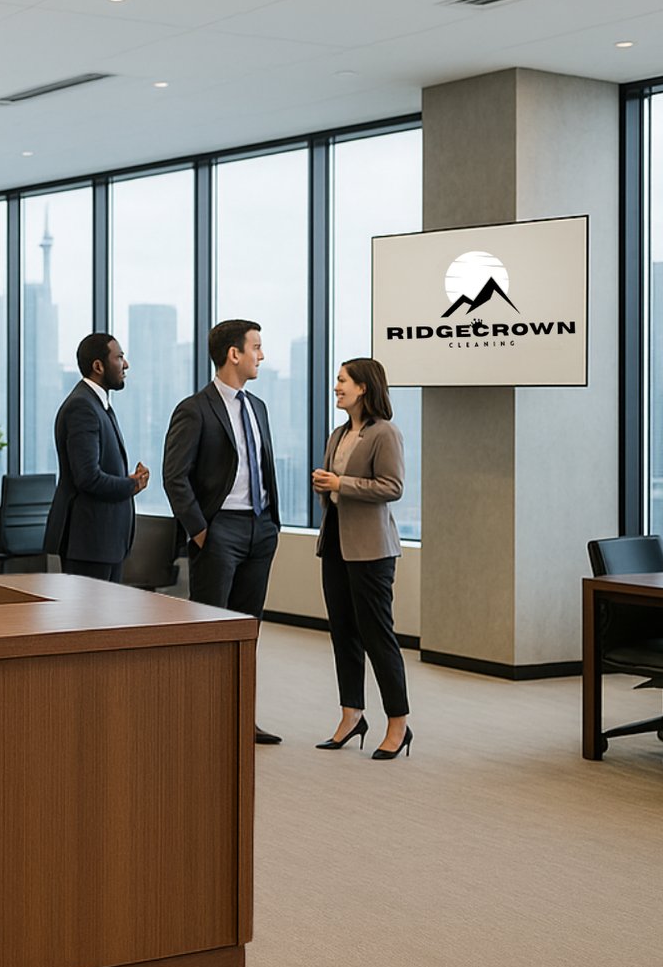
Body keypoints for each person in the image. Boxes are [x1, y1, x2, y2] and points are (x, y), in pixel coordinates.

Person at [163, 318, 283, 745]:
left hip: (259, 528)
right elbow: (174, 477)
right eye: (256, 347)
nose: (261, 356)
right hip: (219, 531)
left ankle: (240, 720)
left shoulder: (258, 408)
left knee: (247, 630)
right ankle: (202, 723)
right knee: (211, 629)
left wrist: (270, 525)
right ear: (234, 353)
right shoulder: (194, 409)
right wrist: (200, 532)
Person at [311, 357, 412, 759]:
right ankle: (352, 715)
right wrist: (327, 486)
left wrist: (341, 483)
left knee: (377, 636)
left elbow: (392, 486)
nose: (336, 387)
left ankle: (398, 723)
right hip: (335, 543)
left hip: (371, 550)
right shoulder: (338, 434)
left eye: (342, 381)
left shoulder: (385, 433)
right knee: (343, 633)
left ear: (364, 388)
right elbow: (338, 488)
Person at [44, 332, 149, 581]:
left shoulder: (97, 404)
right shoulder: (83, 407)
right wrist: (131, 484)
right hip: (89, 543)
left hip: (104, 543)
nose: (126, 364)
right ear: (98, 366)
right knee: (89, 619)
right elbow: (88, 477)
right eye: (119, 357)